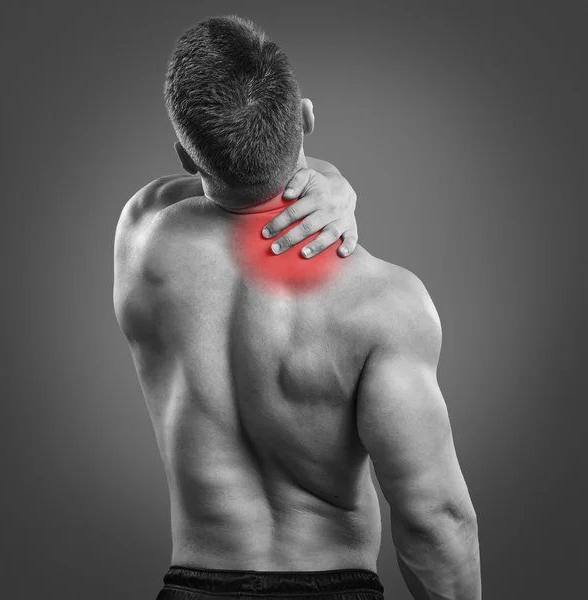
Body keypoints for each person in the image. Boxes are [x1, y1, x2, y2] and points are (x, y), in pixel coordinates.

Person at [113, 15, 481, 600]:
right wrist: (332, 176)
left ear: (185, 155)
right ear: (305, 117)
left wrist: (323, 178)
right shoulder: (383, 302)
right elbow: (434, 520)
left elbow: (204, 184)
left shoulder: (143, 236)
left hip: (192, 586)